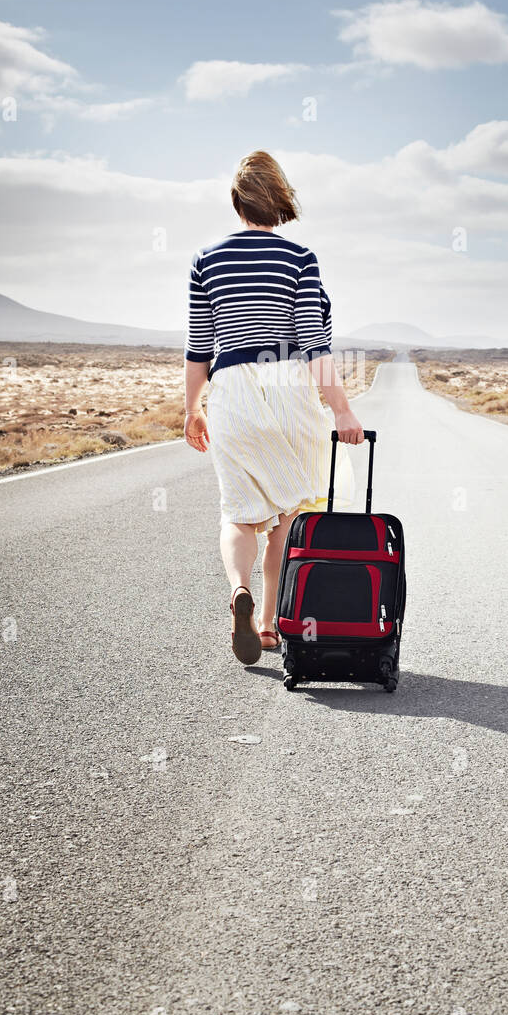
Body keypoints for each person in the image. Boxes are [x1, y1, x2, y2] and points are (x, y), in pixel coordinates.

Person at [183, 150, 364, 665]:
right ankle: (266, 622)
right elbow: (313, 344)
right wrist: (343, 411)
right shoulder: (299, 259)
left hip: (233, 390)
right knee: (290, 513)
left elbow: (199, 347)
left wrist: (193, 409)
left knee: (238, 515)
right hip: (287, 384)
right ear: (279, 201)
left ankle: (238, 589)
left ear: (237, 201)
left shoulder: (206, 259)